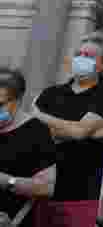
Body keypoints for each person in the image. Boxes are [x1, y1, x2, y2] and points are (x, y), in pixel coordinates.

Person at [32, 31, 103, 227]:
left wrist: (41, 117)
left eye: (89, 56)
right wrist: (88, 132)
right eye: (78, 54)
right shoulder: (51, 94)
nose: (81, 59)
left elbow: (79, 132)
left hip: (81, 192)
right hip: (40, 188)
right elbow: (34, 134)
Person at [0, 68, 56, 227]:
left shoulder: (36, 132)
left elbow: (48, 187)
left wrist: (7, 181)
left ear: (17, 101)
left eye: (0, 104)